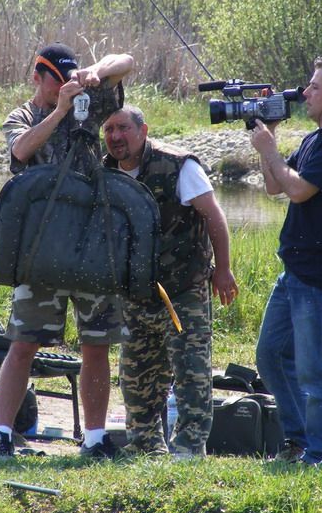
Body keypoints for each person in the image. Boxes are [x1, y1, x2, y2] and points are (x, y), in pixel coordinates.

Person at [0, 43, 134, 459]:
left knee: (97, 343)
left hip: (92, 243)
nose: (62, 87)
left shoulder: (86, 100)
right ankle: (2, 434)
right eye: (56, 80)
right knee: (24, 342)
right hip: (42, 249)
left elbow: (127, 62)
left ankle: (95, 438)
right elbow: (20, 151)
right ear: (37, 78)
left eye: (66, 79)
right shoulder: (23, 116)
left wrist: (94, 71)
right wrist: (59, 112)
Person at [102, 105, 238, 458]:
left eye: (123, 128)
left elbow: (214, 216)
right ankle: (145, 447)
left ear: (143, 131)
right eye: (109, 130)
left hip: (183, 289)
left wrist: (223, 269)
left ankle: (189, 449)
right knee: (137, 376)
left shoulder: (178, 165)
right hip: (135, 292)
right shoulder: (105, 171)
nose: (115, 137)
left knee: (191, 372)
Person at [249, 56, 322, 466]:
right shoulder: (316, 139)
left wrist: (271, 150)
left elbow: (299, 191)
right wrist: (270, 139)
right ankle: (300, 441)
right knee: (271, 355)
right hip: (296, 270)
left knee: (319, 370)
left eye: (314, 86)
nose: (305, 93)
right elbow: (273, 186)